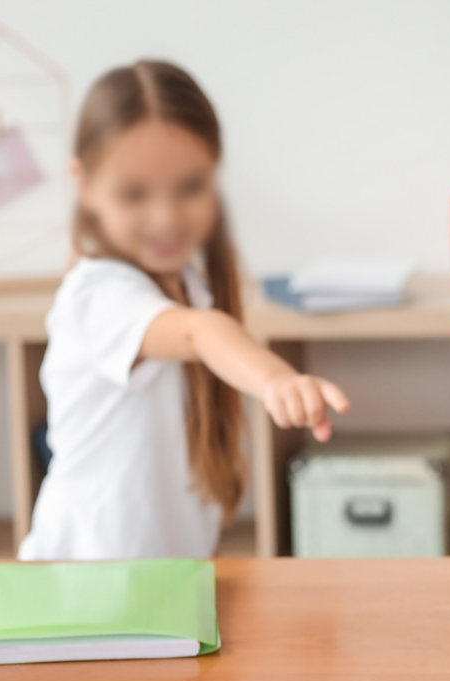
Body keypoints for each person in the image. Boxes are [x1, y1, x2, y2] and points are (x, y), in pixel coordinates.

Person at [19, 61, 350, 561]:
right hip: (83, 580)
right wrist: (275, 380)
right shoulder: (99, 293)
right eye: (135, 193)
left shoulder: (192, 285)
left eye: (189, 187)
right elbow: (199, 334)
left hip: (158, 575)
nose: (166, 217)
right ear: (85, 185)